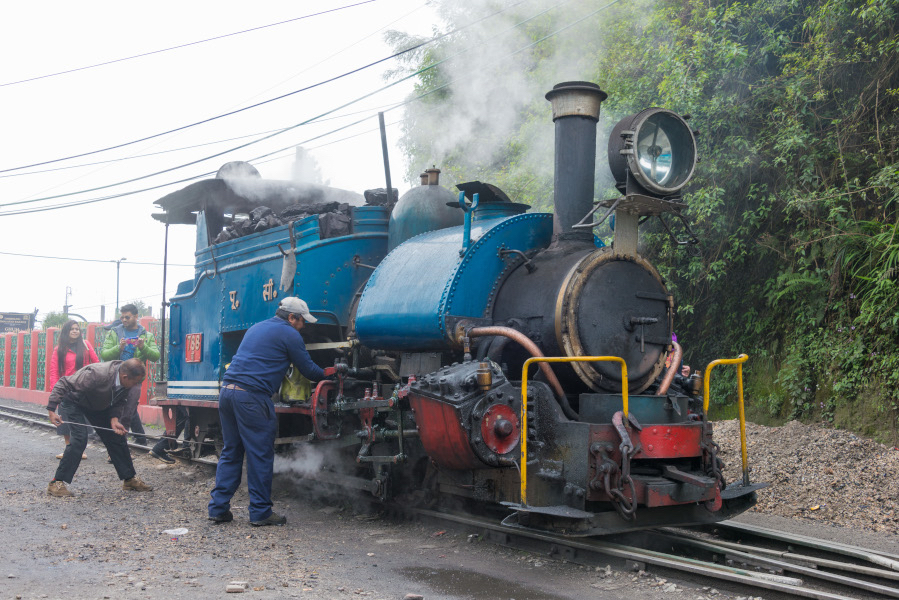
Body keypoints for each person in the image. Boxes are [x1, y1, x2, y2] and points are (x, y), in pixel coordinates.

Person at [208, 297, 334, 526]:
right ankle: (260, 513)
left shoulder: (257, 327)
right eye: (302, 321)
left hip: (227, 392)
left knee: (231, 451)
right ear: (291, 317)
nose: (304, 326)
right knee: (260, 455)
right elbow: (308, 369)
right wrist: (333, 373)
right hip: (252, 397)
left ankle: (218, 508)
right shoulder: (290, 334)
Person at [46, 358, 154, 497]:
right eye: (134, 382)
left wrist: (114, 419)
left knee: (116, 437)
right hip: (74, 402)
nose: (135, 385)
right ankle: (56, 483)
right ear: (125, 377)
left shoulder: (126, 382)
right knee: (80, 439)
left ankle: (129, 479)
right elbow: (64, 382)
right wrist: (51, 409)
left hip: (97, 405)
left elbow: (119, 400)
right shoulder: (97, 374)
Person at [100, 304, 159, 446]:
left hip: (135, 379)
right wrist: (118, 347)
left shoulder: (146, 335)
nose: (124, 320)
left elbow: (156, 356)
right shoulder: (114, 333)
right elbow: (104, 355)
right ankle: (115, 444)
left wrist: (142, 346)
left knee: (128, 411)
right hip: (116, 378)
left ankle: (120, 444)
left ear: (136, 317)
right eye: (122, 317)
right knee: (114, 411)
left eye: (128, 317)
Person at [48, 320, 99, 460]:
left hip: (84, 387)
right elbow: (54, 371)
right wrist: (55, 392)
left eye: (77, 329)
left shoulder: (86, 345)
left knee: (82, 419)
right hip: (66, 388)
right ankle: (69, 449)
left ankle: (80, 450)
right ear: (66, 332)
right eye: (72, 329)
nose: (75, 331)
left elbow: (96, 363)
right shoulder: (59, 349)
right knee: (65, 418)